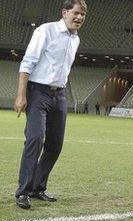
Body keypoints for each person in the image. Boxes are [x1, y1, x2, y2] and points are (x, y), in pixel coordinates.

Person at [13, 0, 87, 209]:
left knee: (55, 145)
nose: (79, 18)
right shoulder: (46, 31)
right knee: (35, 139)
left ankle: (38, 188)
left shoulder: (76, 39)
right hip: (38, 92)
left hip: (59, 95)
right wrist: (21, 95)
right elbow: (27, 62)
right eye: (76, 13)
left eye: (83, 15)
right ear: (65, 12)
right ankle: (23, 192)